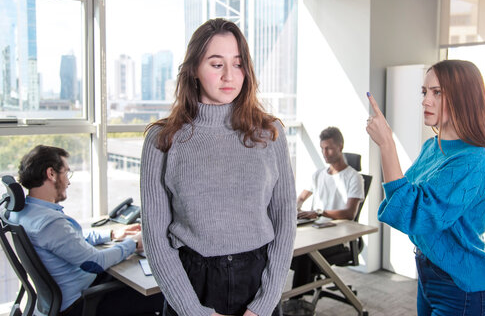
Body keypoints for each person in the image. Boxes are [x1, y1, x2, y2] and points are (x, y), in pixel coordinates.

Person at [140, 18, 296, 316]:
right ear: (194, 70)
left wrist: (263, 306)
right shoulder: (162, 140)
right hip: (191, 284)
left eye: (238, 64)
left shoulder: (270, 132)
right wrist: (193, 311)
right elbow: (156, 240)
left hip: (258, 280)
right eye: (216, 64)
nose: (229, 76)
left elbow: (285, 223)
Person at [366, 59, 485, 316]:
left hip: (461, 286)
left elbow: (416, 214)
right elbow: (405, 198)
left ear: (463, 97)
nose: (425, 100)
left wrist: (387, 144)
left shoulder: (474, 159)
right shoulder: (432, 147)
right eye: (424, 92)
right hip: (428, 272)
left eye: (437, 92)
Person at [9, 145, 164, 316]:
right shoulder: (49, 223)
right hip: (82, 303)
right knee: (165, 293)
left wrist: (112, 234)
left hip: (72, 294)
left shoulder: (26, 213)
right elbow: (95, 262)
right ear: (51, 174)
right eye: (66, 173)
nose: (68, 181)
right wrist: (134, 243)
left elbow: (72, 239)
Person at [292, 126, 364, 292]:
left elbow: (349, 213)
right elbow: (301, 198)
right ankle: (301, 292)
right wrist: (293, 209)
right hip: (316, 232)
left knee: (304, 255)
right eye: (322, 148)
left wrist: (318, 212)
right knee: (288, 249)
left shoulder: (354, 177)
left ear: (340, 147)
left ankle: (297, 301)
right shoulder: (318, 175)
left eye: (329, 148)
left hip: (338, 238)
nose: (325, 153)